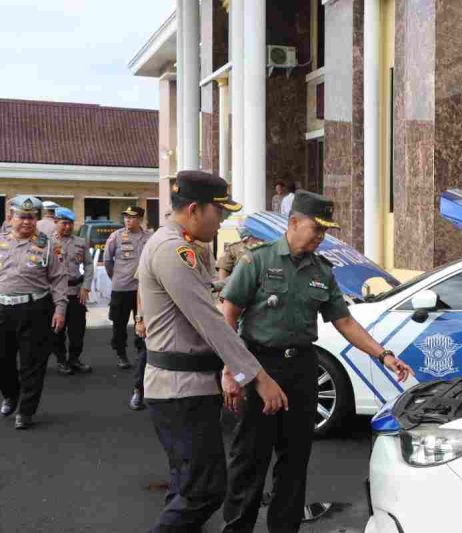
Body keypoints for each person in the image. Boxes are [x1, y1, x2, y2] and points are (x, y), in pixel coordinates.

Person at [220, 190, 414, 533]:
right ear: (293, 222)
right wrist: (231, 370)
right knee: (250, 460)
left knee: (294, 463)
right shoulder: (258, 261)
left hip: (302, 371)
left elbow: (345, 322)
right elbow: (228, 315)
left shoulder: (322, 271)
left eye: (325, 231)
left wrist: (383, 355)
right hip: (259, 368)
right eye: (316, 228)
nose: (321, 237)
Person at [138, 170, 288, 532]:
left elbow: (204, 295)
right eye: (218, 211)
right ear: (193, 208)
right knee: (202, 491)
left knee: (186, 486)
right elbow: (210, 321)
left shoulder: (186, 246)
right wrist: (258, 377)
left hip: (187, 386)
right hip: (179, 390)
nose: (222, 220)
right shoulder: (175, 251)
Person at [0, 195, 67, 429]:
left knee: (32, 363)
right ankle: (10, 394)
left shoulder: (48, 245)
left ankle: (25, 411)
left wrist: (60, 309)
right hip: (2, 309)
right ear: (10, 218)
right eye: (22, 217)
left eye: (31, 217)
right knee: (3, 360)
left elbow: (59, 279)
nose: (27, 222)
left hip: (35, 309)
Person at [104, 205, 150, 369]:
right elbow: (108, 261)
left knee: (144, 321)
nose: (128, 220)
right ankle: (121, 353)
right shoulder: (116, 236)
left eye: (132, 217)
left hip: (142, 289)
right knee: (119, 323)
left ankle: (141, 352)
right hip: (121, 288)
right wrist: (116, 277)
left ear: (140, 219)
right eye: (126, 217)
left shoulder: (149, 237)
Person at [52, 207, 93, 375]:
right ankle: (61, 361)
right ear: (56, 222)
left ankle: (74, 359)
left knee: (78, 330)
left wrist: (85, 286)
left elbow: (89, 265)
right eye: (64, 223)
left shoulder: (81, 242)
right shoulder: (47, 242)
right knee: (57, 331)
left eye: (70, 224)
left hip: (76, 291)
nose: (68, 227)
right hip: (55, 294)